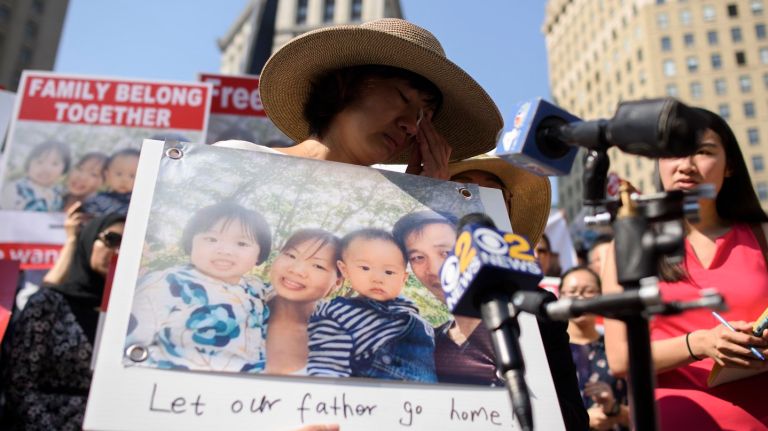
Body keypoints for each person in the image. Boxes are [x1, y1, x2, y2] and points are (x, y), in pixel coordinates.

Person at [602, 108, 768, 429]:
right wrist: (700, 344)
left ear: (730, 165)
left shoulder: (762, 233)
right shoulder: (629, 245)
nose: (686, 166)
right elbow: (620, 358)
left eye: (703, 152)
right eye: (673, 153)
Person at [393, 211, 588, 430]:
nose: (435, 270)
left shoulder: (532, 313)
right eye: (418, 257)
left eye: (446, 252)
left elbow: (572, 419)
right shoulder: (427, 345)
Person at [0, 213, 124, 430]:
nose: (118, 251)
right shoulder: (48, 304)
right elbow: (20, 385)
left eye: (128, 243)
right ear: (88, 239)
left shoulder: (134, 314)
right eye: (112, 239)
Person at [125, 202, 271, 372]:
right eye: (211, 239)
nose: (225, 250)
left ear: (259, 254)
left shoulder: (256, 289)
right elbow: (129, 344)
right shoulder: (165, 284)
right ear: (191, 243)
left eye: (241, 244)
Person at [307, 228, 436, 382]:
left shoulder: (409, 313)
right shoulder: (335, 311)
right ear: (345, 270)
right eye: (365, 268)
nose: (377, 278)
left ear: (403, 278)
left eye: (389, 272)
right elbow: (324, 361)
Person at [264, 229, 344, 375]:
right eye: (291, 255)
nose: (297, 270)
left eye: (317, 266)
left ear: (337, 282)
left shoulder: (340, 338)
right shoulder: (236, 305)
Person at [560, 266, 629, 431]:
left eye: (588, 291)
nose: (579, 297)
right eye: (572, 291)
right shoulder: (549, 350)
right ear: (559, 297)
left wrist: (613, 409)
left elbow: (643, 413)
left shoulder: (616, 349)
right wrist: (584, 420)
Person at [1, 140, 70, 211]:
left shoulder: (60, 193)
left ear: (64, 169)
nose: (46, 168)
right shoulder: (15, 189)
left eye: (54, 164)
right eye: (39, 162)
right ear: (29, 164)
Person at [82, 148, 140, 216]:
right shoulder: (97, 200)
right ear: (107, 175)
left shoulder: (137, 204)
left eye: (132, 176)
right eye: (119, 174)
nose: (124, 180)